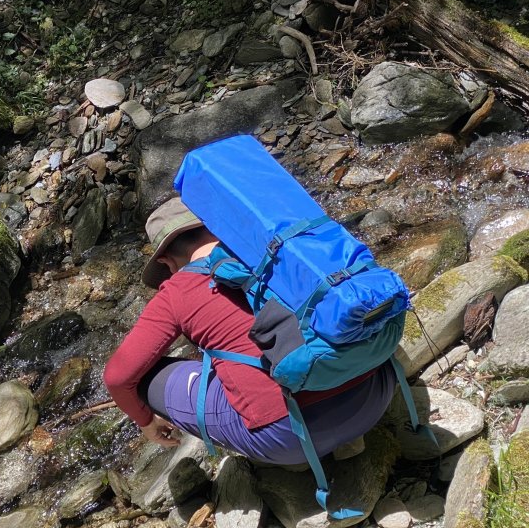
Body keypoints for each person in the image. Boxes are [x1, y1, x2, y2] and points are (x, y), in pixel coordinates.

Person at [103, 193, 398, 463]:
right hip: (375, 393)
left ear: (166, 260)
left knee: (145, 378)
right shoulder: (278, 247)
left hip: (290, 439)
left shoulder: (177, 290)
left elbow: (117, 377)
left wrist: (145, 421)